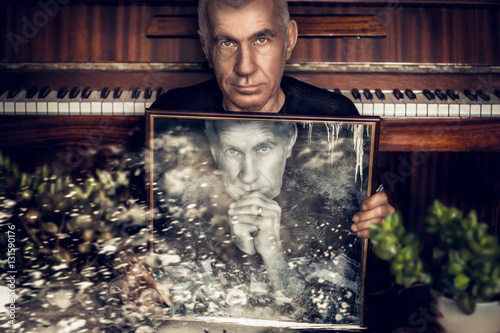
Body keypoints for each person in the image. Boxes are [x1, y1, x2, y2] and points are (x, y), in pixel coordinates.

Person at [151, 0, 394, 240]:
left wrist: (379, 230)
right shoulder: (169, 116)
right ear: (206, 48)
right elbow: (140, 229)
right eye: (227, 42)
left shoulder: (338, 118)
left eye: (261, 39)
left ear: (289, 39)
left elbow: (368, 241)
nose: (245, 67)